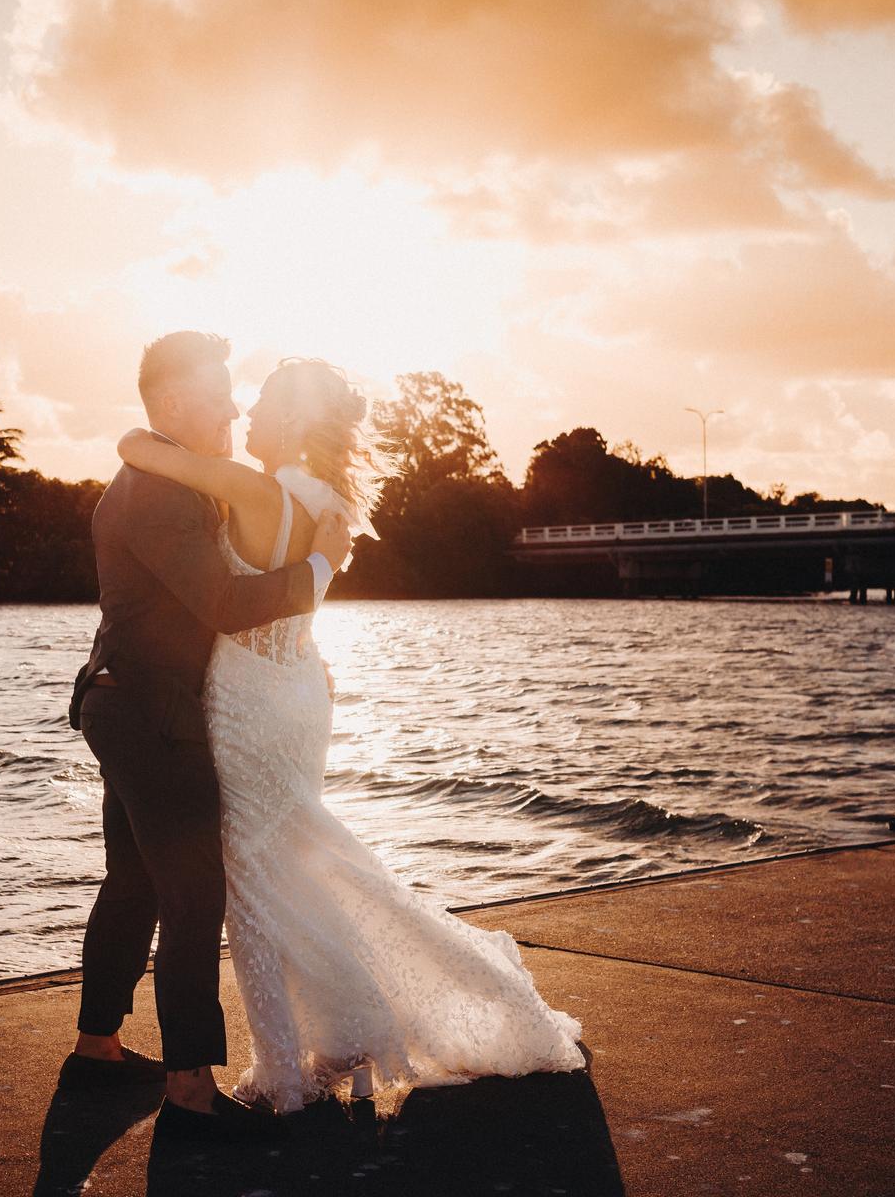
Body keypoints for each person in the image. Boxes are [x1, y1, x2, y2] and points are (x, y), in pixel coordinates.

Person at [113, 355, 585, 1115]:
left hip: (250, 698)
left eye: (261, 404)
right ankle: (347, 1032)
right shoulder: (331, 500)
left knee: (254, 889)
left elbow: (137, 451)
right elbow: (300, 597)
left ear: (295, 420)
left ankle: (286, 1071)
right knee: (299, 861)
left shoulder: (257, 489)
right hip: (299, 688)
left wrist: (147, 420)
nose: (244, 417)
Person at [63, 331, 352, 1142]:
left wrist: (296, 657)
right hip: (154, 717)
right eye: (220, 394)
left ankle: (98, 1046)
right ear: (177, 404)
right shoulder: (155, 491)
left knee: (134, 880)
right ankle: (189, 1085)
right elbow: (224, 605)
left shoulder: (160, 472)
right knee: (193, 892)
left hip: (129, 704)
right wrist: (322, 571)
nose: (232, 407)